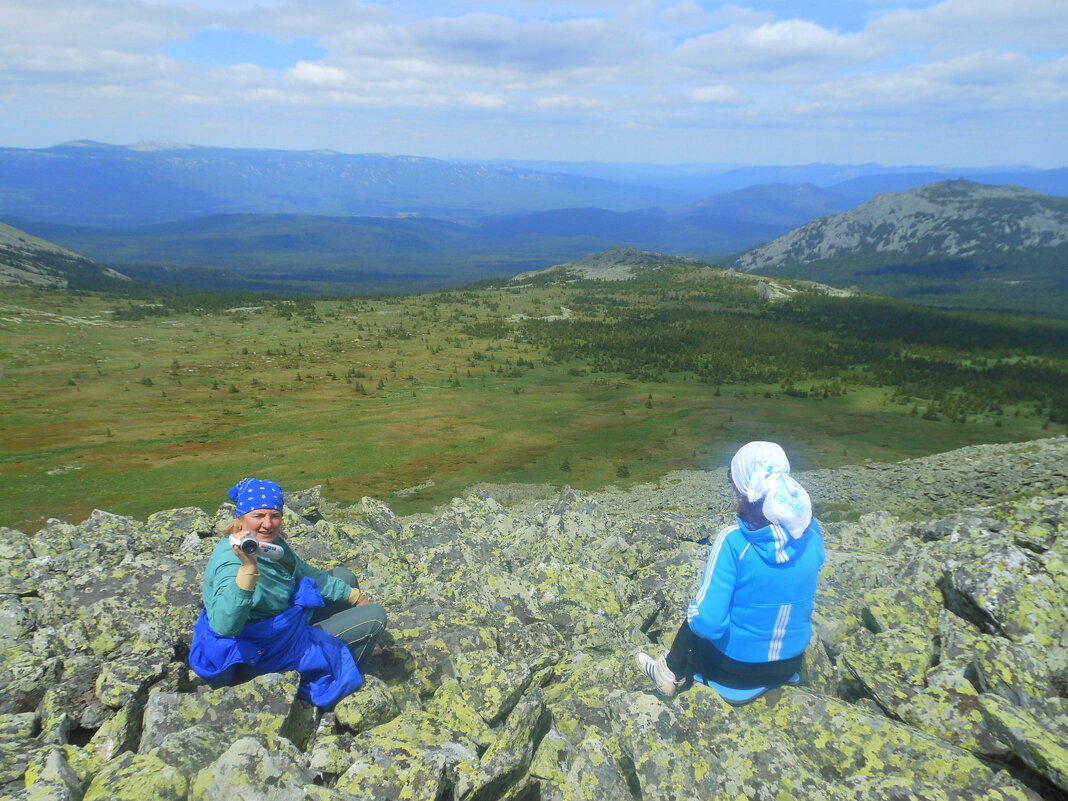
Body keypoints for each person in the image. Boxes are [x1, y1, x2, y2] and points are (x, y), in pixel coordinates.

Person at [636, 441, 825, 703]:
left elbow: (709, 624)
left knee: (699, 611)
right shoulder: (812, 531)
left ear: (743, 489)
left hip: (735, 671)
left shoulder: (734, 541)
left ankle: (668, 671)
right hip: (789, 665)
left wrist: (697, 612)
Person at [189, 478, 387, 708]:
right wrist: (248, 569)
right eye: (259, 515)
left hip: (278, 623)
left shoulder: (265, 544)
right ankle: (344, 687)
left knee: (344, 577)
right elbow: (225, 625)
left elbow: (299, 569)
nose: (268, 524)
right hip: (261, 651)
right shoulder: (233, 564)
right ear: (240, 518)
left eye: (274, 515)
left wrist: (355, 596)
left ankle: (341, 649)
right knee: (375, 616)